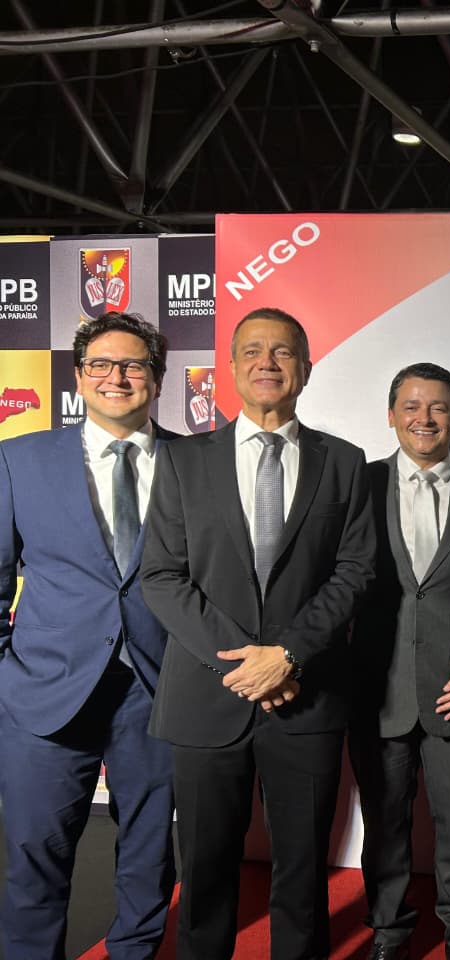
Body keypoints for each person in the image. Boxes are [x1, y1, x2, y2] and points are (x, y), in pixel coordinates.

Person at [141, 306, 377, 960]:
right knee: (205, 872)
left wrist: (289, 655)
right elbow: (161, 576)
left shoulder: (344, 462)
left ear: (306, 368)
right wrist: (245, 666)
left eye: (282, 351)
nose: (267, 363)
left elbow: (356, 570)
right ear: (231, 368)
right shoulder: (183, 460)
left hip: (307, 698)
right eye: (252, 350)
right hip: (206, 698)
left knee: (303, 872)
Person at [0, 313, 177, 960]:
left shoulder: (196, 463)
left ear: (158, 378)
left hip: (160, 690)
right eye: (101, 364)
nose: (117, 377)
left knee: (150, 857)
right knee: (34, 859)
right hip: (43, 691)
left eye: (133, 365)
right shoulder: (20, 459)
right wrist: (6, 673)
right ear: (78, 376)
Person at [350, 362, 450, 960]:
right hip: (378, 689)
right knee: (384, 827)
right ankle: (388, 934)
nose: (425, 418)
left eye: (438, 407)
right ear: (392, 415)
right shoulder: (359, 486)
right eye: (412, 407)